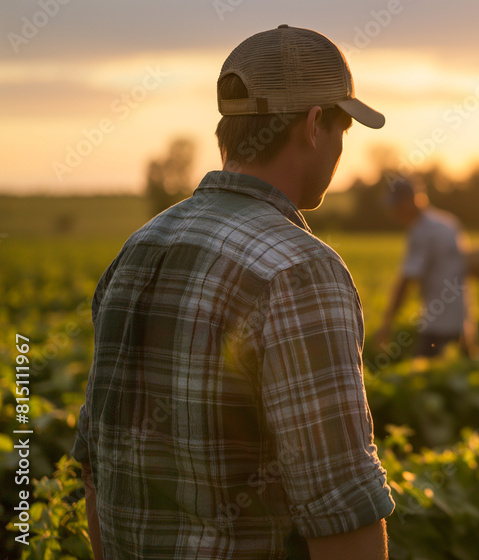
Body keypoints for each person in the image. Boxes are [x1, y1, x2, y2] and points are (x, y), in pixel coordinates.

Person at [73, 25, 394, 559]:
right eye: (342, 129)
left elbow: (96, 468)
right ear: (315, 126)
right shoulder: (299, 269)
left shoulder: (139, 247)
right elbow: (340, 509)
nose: (341, 150)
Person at [376, 178, 479, 359]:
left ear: (413, 199)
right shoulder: (448, 222)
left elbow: (407, 280)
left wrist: (387, 324)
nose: (393, 211)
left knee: (425, 375)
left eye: (397, 204)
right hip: (462, 321)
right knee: (463, 375)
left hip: (437, 325)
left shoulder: (421, 232)